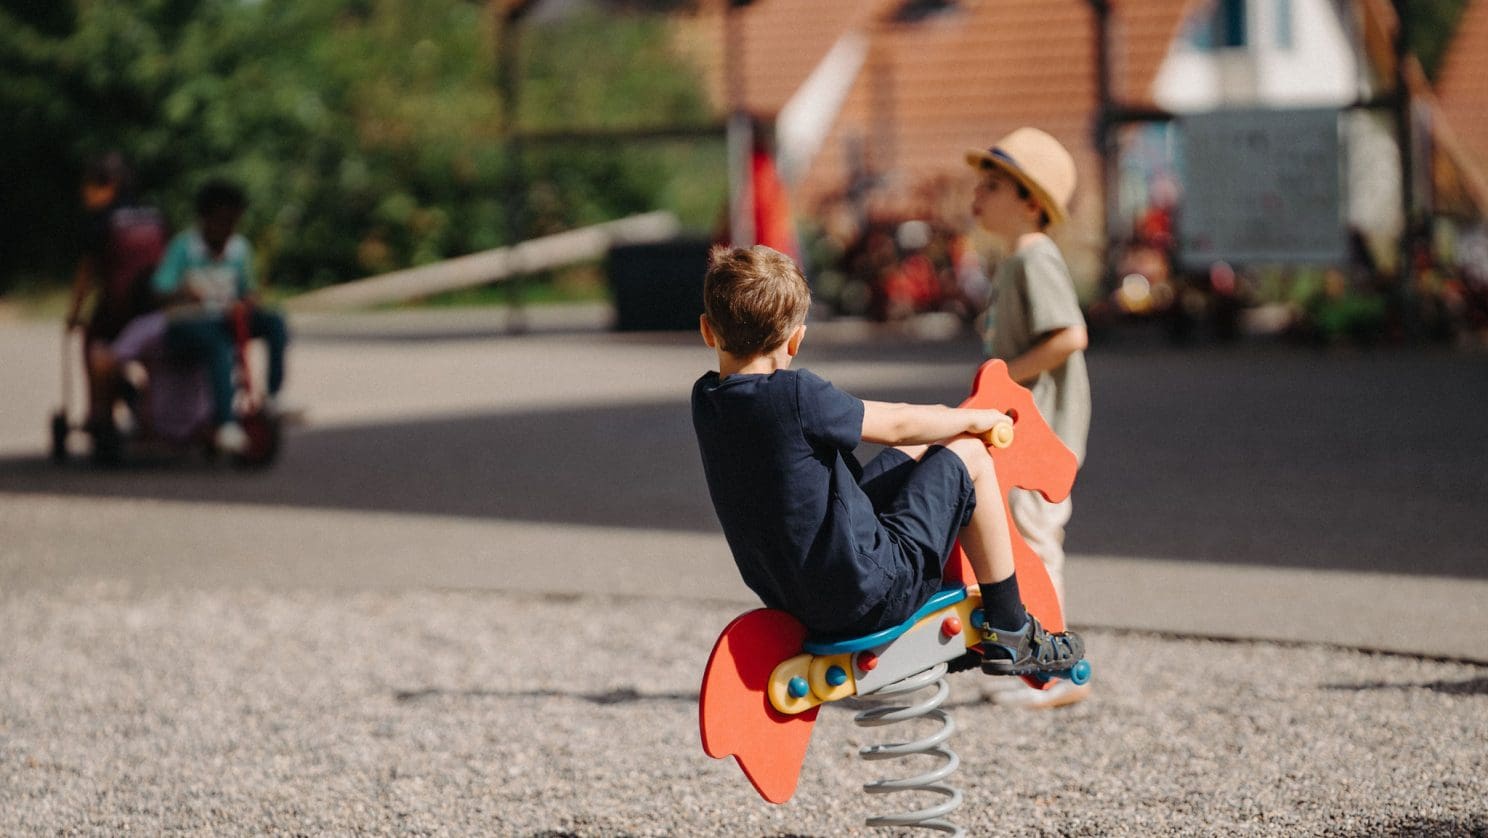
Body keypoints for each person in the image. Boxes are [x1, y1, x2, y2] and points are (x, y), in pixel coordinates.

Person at [691, 244, 1085, 678]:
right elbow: (895, 423)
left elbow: (906, 436)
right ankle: (1011, 628)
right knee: (969, 453)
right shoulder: (796, 395)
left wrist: (943, 423)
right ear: (797, 339)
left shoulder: (707, 401)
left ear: (708, 331)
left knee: (924, 449)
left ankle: (979, 598)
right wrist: (975, 419)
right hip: (871, 593)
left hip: (796, 603)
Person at [967, 127, 1092, 708]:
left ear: (1031, 201)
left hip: (1041, 440)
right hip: (1023, 434)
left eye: (993, 185)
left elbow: (1071, 334)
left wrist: (1007, 378)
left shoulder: (1033, 255)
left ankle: (1057, 672)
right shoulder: (1015, 259)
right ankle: (1035, 667)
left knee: (1037, 544)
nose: (978, 195)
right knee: (1022, 543)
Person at [151, 179, 288, 453]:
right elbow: (159, 289)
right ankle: (225, 423)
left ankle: (272, 397)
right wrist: (183, 292)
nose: (227, 230)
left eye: (233, 223)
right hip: (188, 324)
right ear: (205, 218)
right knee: (219, 346)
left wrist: (247, 302)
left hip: (226, 319)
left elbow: (249, 291)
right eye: (222, 222)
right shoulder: (184, 247)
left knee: (275, 323)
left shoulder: (239, 249)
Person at [64, 153, 169, 460]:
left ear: (108, 186)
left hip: (115, 314)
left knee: (93, 344)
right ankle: (138, 402)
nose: (85, 194)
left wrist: (74, 314)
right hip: (152, 312)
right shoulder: (155, 216)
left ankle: (100, 413)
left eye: (89, 186)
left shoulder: (102, 223)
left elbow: (87, 275)